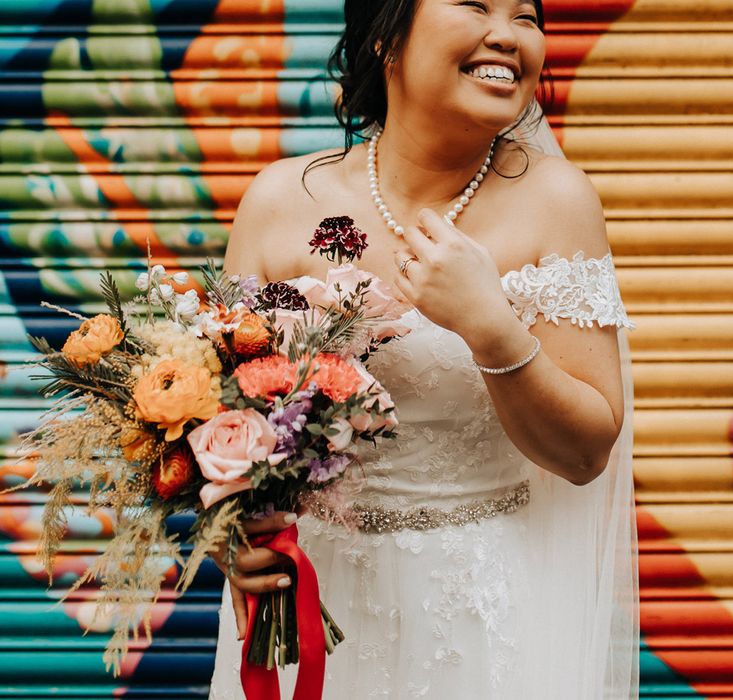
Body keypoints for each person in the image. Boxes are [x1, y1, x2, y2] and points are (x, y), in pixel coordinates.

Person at [209, 0, 639, 698]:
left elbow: (588, 452)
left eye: (525, 14)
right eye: (474, 4)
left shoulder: (557, 201)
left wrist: (490, 328)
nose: (507, 33)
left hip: (478, 617)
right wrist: (233, 531)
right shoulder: (279, 200)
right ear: (387, 33)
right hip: (313, 607)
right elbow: (216, 418)